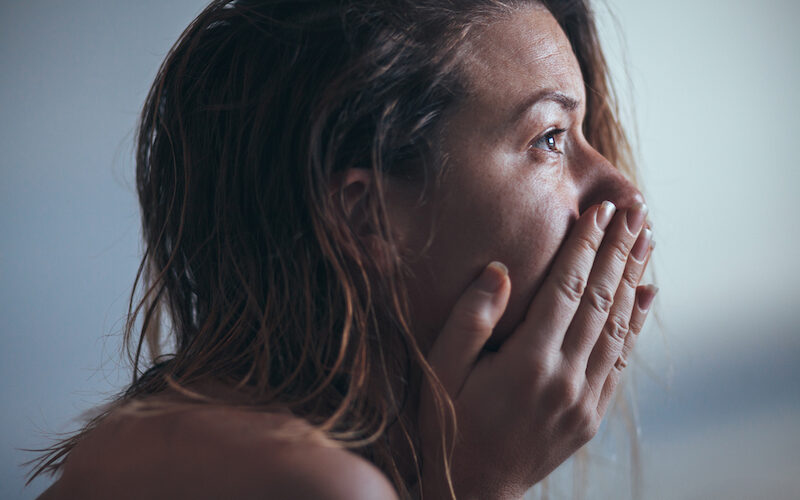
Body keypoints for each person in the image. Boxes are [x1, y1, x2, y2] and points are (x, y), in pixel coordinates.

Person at [29, 0, 657, 498]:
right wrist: (480, 487)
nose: (621, 193)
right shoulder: (315, 485)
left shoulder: (177, 440)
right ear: (367, 216)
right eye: (549, 138)